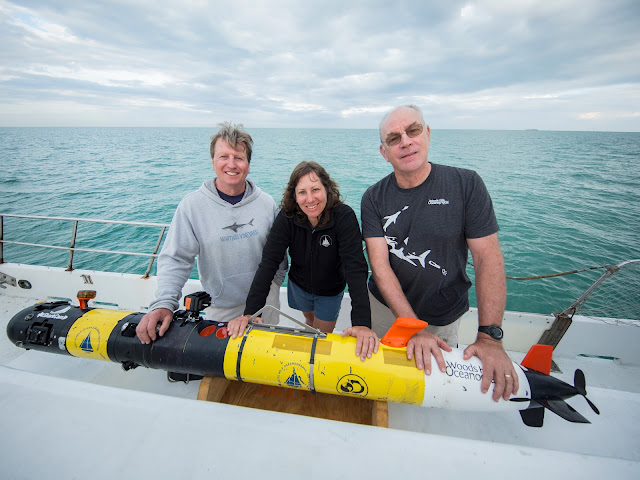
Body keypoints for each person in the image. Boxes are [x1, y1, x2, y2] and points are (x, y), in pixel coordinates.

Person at [360, 105, 518, 401]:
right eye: (393, 138)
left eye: (413, 130)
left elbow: (487, 259)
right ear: (384, 152)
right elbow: (380, 266)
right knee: (379, 377)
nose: (405, 141)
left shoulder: (466, 184)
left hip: (444, 314)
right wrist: (412, 327)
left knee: (433, 384)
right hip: (384, 311)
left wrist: (490, 336)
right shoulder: (373, 197)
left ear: (428, 134)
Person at [136, 122, 286, 346]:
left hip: (266, 304)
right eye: (224, 156)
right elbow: (177, 258)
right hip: (223, 308)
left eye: (239, 157)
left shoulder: (266, 203)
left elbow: (278, 252)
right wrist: (164, 303)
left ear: (248, 164)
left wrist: (275, 283)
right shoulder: (192, 206)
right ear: (213, 161)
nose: (231, 164)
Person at [227, 161, 379, 361]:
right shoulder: (287, 218)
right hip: (299, 286)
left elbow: (356, 269)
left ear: (327, 189)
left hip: (330, 291)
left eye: (316, 189)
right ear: (294, 196)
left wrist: (362, 323)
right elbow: (269, 263)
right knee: (309, 320)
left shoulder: (344, 217)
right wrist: (249, 313)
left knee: (320, 337)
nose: (310, 199)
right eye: (302, 192)